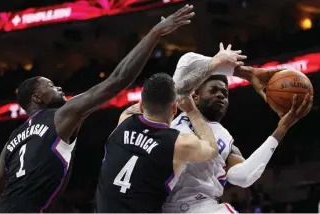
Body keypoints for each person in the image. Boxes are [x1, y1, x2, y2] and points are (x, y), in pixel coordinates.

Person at [0, 4, 195, 213]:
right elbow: (118, 79)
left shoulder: (13, 140)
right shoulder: (59, 116)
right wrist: (155, 33)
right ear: (37, 98)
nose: (58, 87)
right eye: (50, 85)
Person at [96, 42, 247, 212]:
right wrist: (192, 111)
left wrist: (214, 63)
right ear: (175, 108)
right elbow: (211, 150)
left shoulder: (125, 120)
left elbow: (172, 94)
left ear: (142, 105)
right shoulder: (178, 144)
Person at [162, 51, 313, 213]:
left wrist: (281, 128)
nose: (221, 95)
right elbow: (188, 60)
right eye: (213, 90)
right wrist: (246, 73)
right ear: (195, 96)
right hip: (160, 206)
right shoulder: (172, 111)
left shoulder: (226, 139)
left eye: (225, 94)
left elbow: (244, 176)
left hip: (202, 206)